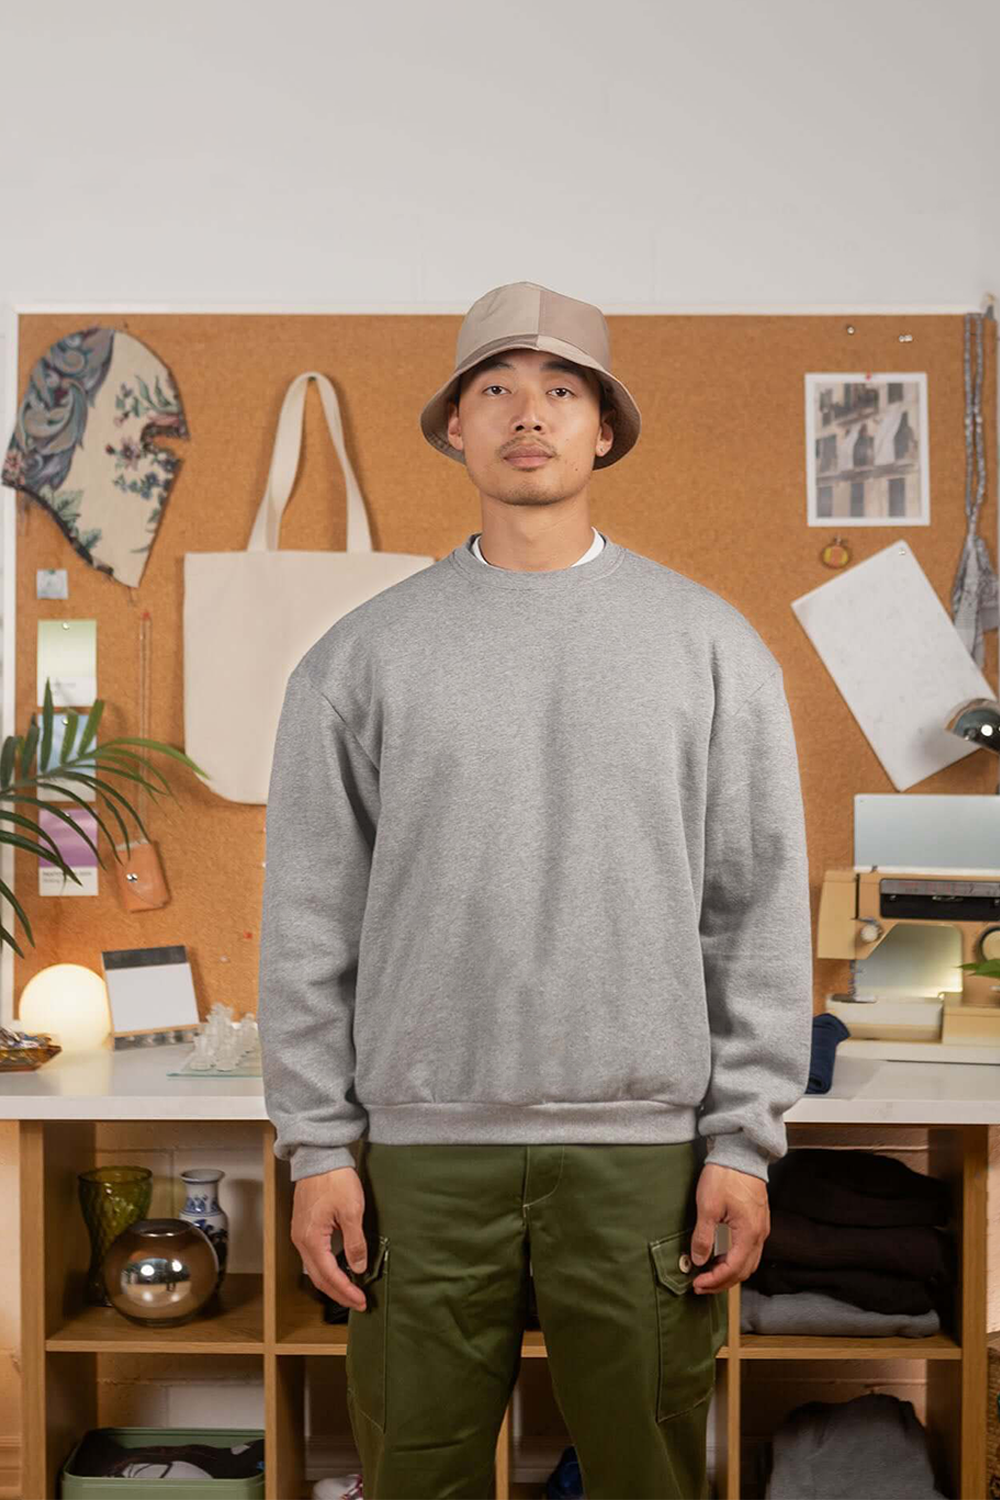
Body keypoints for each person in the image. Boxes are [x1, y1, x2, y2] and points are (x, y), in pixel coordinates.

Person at [257, 280, 814, 1499]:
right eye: (495, 387)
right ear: (454, 426)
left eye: (562, 389)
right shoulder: (358, 661)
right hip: (418, 1151)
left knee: (648, 1474)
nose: (529, 412)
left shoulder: (710, 646)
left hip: (642, 1155)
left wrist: (745, 1145)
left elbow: (757, 911)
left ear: (603, 428)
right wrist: (316, 1149)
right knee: (417, 1471)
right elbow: (307, 927)